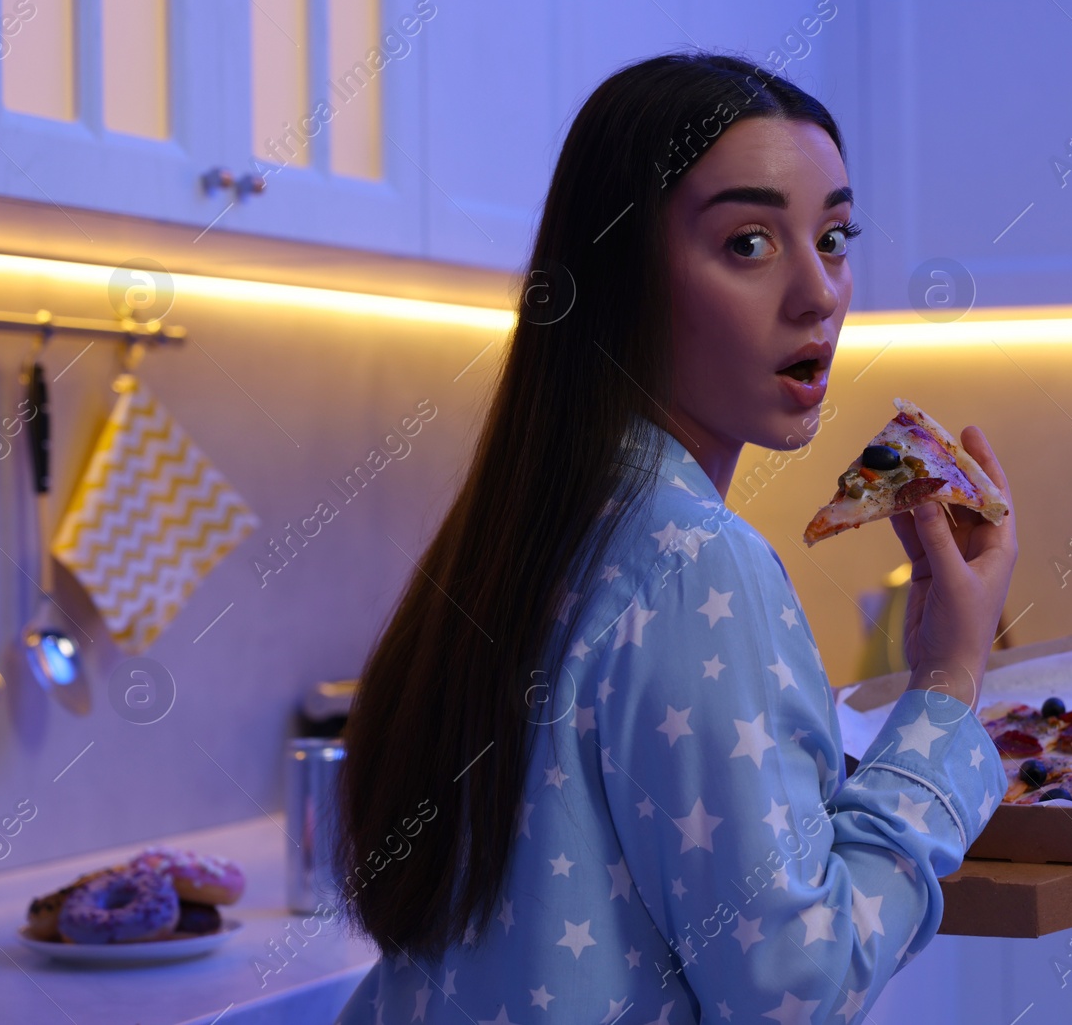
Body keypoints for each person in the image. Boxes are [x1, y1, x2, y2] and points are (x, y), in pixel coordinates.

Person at [333, 51, 1016, 1025]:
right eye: (747, 242)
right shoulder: (696, 560)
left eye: (833, 235)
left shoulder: (527, 529)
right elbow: (799, 984)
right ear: (620, 278)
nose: (819, 291)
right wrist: (947, 681)